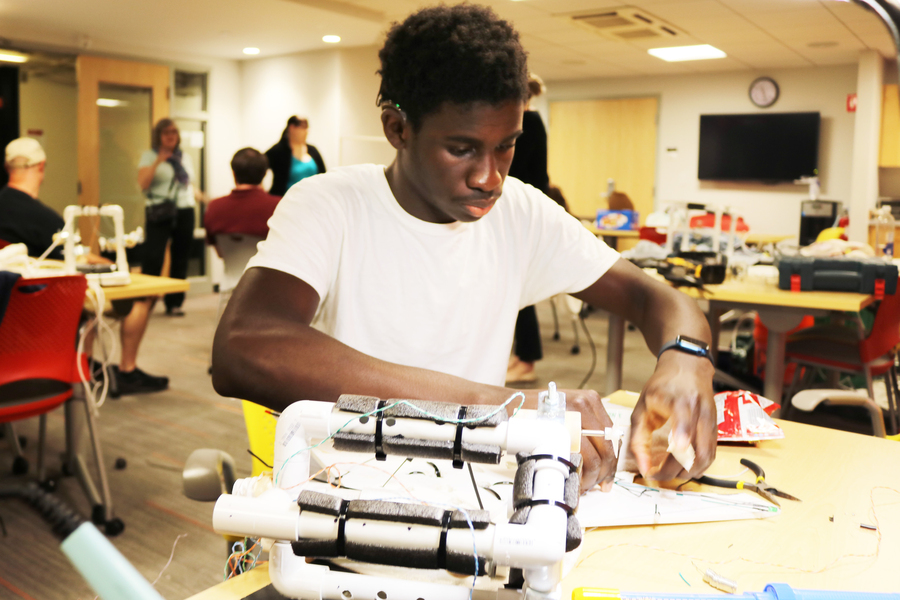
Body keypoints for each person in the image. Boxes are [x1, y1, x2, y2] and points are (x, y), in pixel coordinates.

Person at [212, 4, 717, 493]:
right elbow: (245, 347)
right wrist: (494, 405)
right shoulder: (331, 204)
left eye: (506, 146)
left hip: (473, 496)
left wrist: (686, 361)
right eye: (461, 149)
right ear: (397, 128)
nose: (489, 177)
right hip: (342, 493)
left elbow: (656, 300)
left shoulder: (520, 212)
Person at [0, 137, 168, 397]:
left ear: (7, 167)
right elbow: (79, 258)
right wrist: (113, 266)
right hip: (51, 310)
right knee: (140, 298)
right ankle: (126, 369)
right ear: (41, 166)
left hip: (10, 315)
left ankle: (86, 363)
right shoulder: (43, 218)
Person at [506, 73, 550, 385]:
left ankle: (527, 360)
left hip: (522, 215)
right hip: (519, 212)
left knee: (519, 291)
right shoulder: (528, 121)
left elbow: (518, 171)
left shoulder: (528, 122)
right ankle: (521, 355)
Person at [138, 119, 198, 317]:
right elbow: (143, 184)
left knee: (181, 257)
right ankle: (146, 300)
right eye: (166, 132)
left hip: (185, 209)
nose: (170, 136)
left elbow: (188, 185)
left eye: (174, 132)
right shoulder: (149, 156)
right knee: (153, 257)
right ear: (159, 135)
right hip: (159, 210)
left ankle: (174, 303)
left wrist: (205, 198)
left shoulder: (184, 157)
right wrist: (158, 161)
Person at [204, 148, 281, 252]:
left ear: (233, 174)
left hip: (230, 263)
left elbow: (219, 251)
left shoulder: (214, 207)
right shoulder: (278, 206)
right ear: (264, 174)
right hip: (267, 262)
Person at [265, 116, 326, 197]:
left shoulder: (313, 150)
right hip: (285, 199)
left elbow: (323, 175)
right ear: (292, 128)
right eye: (303, 127)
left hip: (312, 198)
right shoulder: (278, 151)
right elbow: (258, 168)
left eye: (307, 128)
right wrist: (263, 194)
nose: (306, 131)